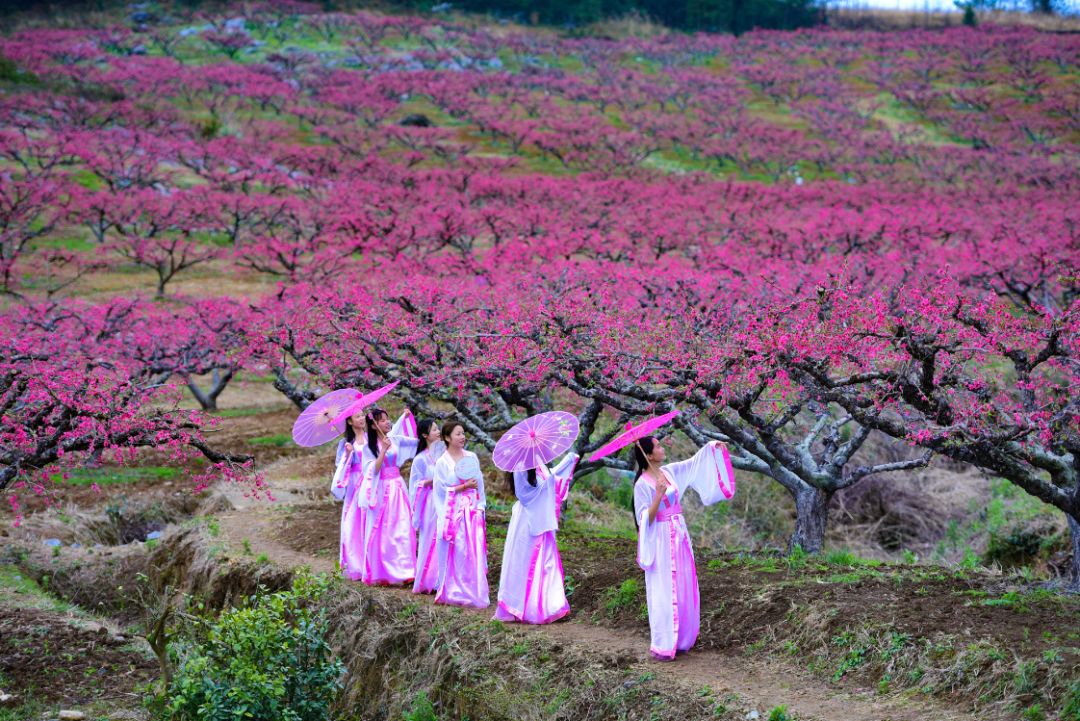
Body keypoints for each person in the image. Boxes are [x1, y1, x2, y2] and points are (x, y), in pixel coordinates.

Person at [632, 436, 735, 660]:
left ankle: (682, 638)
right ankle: (664, 641)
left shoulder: (669, 472)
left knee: (683, 582)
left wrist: (711, 447)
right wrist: (658, 497)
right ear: (649, 455)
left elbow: (693, 463)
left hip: (679, 533)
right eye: (658, 446)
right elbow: (644, 519)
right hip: (661, 537)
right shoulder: (642, 484)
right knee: (664, 586)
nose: (662, 448)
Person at [494, 452, 578, 624]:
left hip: (541, 518)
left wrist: (567, 463)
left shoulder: (538, 460)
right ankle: (523, 606)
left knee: (546, 562)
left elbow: (549, 478)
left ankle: (550, 606)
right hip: (527, 521)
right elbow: (524, 495)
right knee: (524, 562)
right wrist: (546, 485)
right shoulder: (520, 466)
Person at [356, 406, 419, 586]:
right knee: (385, 529)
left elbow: (416, 443)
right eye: (382, 420)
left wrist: (406, 417)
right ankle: (384, 571)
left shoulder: (394, 439)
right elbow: (372, 470)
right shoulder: (368, 447)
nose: (387, 422)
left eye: (387, 419)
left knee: (404, 525)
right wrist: (382, 450)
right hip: (382, 488)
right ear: (374, 425)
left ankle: (407, 570)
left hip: (398, 487)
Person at [432, 420, 489, 608]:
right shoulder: (442, 462)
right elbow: (440, 491)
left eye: (463, 433)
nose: (462, 437)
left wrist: (480, 506)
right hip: (453, 511)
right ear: (447, 438)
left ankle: (474, 589)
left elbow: (479, 484)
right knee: (458, 549)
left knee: (473, 549)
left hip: (471, 509)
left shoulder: (471, 456)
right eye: (458, 434)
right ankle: (454, 589)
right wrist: (463, 487)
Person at [409, 419, 443, 594]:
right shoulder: (420, 459)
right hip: (430, 502)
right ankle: (429, 579)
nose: (438, 432)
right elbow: (415, 485)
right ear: (425, 435)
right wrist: (433, 481)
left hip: (446, 500)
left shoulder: (446, 453)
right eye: (434, 429)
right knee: (430, 538)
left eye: (438, 429)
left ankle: (444, 579)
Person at [332, 411, 367, 580]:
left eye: (363, 415)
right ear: (350, 422)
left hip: (369, 482)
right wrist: (348, 454)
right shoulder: (345, 443)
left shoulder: (371, 438)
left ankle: (369, 563)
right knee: (353, 521)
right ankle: (355, 564)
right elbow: (341, 466)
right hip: (354, 483)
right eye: (358, 417)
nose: (362, 418)